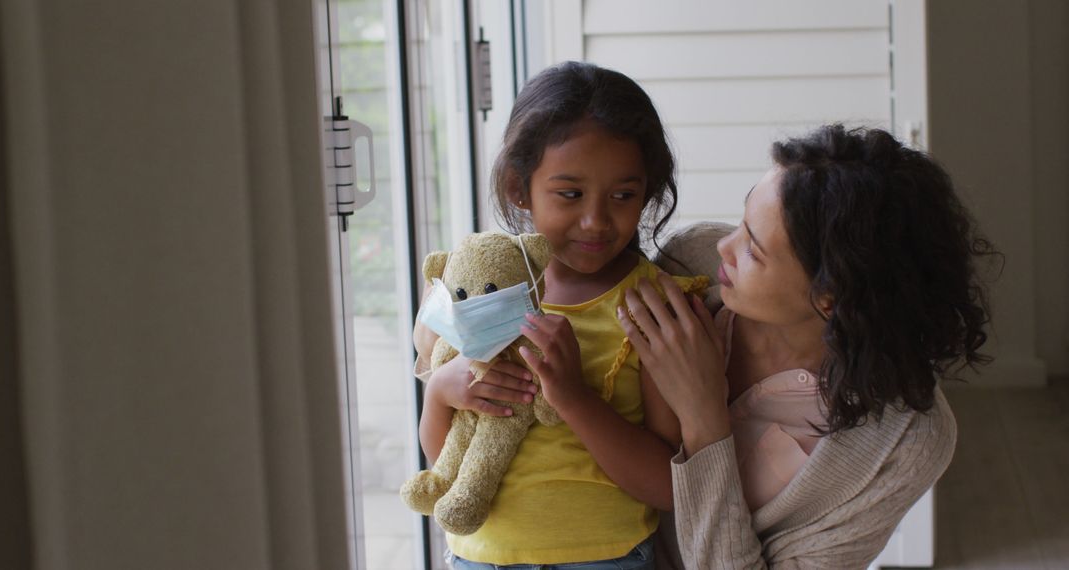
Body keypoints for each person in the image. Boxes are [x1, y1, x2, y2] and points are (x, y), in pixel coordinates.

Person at [618, 125, 997, 568]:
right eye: (743, 222)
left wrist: (704, 420)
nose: (724, 245)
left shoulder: (907, 441)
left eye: (753, 252)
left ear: (830, 297)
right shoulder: (691, 264)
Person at [413, 61, 692, 568]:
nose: (596, 220)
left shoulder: (651, 306)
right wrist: (439, 391)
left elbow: (667, 487)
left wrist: (573, 398)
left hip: (606, 560)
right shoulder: (476, 287)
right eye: (570, 194)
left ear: (648, 191)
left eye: (623, 196)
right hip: (478, 559)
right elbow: (445, 461)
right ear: (521, 188)